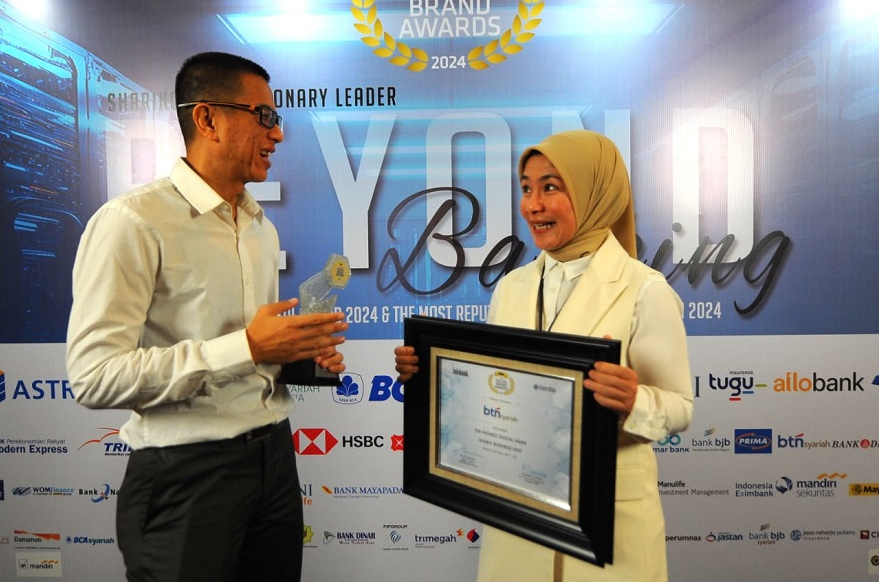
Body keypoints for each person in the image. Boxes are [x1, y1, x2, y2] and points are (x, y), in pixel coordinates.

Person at [66, 51, 348, 582]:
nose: (278, 134)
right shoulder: (131, 222)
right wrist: (250, 346)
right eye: (264, 116)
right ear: (207, 119)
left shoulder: (260, 227)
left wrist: (296, 356)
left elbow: (250, 354)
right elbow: (94, 376)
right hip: (185, 474)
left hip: (273, 458)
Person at [395, 130, 693, 581]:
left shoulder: (645, 290)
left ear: (594, 193)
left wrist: (636, 401)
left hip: (608, 526)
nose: (532, 205)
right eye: (526, 188)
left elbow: (680, 406)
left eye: (550, 187)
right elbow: (496, 391)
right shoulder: (510, 287)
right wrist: (431, 376)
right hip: (518, 516)